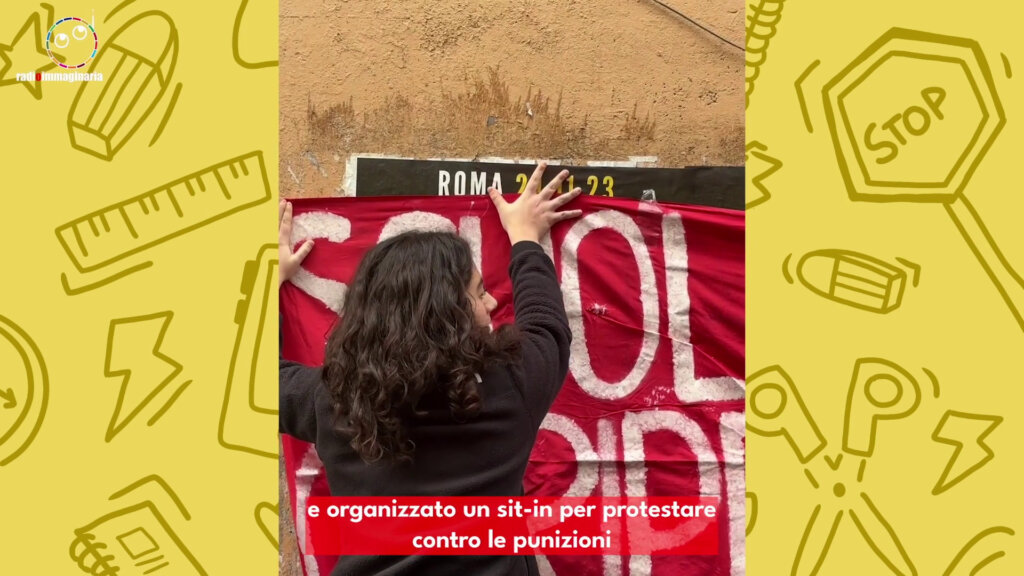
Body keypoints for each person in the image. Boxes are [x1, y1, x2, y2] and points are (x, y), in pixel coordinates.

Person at [279, 163, 583, 576]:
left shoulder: (333, 401)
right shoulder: (512, 385)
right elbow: (547, 327)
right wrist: (525, 240)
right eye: (479, 293)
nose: (492, 303)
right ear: (449, 316)